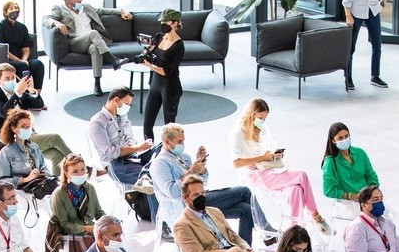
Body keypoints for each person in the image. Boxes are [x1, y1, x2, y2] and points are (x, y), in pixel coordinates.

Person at [229, 98, 330, 237]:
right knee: (302, 175)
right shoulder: (238, 133)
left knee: (296, 190)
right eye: (260, 117)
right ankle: (315, 215)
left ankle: (295, 232)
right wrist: (261, 158)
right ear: (251, 114)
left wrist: (276, 153)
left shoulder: (263, 128)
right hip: (256, 175)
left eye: (265, 117)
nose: (263, 120)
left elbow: (271, 146)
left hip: (272, 170)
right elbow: (236, 163)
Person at [150, 123, 259, 243]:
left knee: (246, 210)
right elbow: (173, 193)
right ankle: (264, 227)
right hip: (186, 206)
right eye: (179, 141)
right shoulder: (159, 164)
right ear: (166, 141)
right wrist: (191, 171)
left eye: (183, 141)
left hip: (200, 198)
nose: (182, 145)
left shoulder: (183, 156)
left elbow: (203, 183)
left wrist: (201, 169)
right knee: (244, 192)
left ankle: (245, 251)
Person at [172, 175, 262, 252]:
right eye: (196, 195)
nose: (201, 197)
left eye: (202, 193)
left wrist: (246, 248)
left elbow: (234, 237)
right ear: (185, 198)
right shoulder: (181, 225)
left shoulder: (215, 212)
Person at [42, 0, 130, 96]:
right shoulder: (59, 9)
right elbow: (46, 19)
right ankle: (113, 60)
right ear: (69, 0)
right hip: (75, 42)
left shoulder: (85, 7)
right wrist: (57, 23)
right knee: (93, 33)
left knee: (95, 48)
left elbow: (102, 10)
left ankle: (97, 85)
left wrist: (121, 11)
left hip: (91, 42)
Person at [89, 87, 154, 191]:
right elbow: (111, 153)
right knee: (153, 178)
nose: (128, 107)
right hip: (116, 163)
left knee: (161, 151)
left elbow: (129, 137)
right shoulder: (97, 123)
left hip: (133, 154)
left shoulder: (122, 115)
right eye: (126, 103)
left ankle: (146, 175)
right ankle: (145, 179)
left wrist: (142, 146)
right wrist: (137, 148)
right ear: (116, 100)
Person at [141, 9, 184, 142]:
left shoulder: (179, 45)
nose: (163, 24)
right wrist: (146, 52)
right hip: (155, 84)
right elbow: (147, 52)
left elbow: (168, 71)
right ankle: (148, 151)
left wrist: (149, 66)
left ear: (175, 23)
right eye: (162, 21)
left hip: (170, 87)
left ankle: (169, 155)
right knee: (147, 124)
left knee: (169, 128)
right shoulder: (159, 37)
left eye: (166, 22)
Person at [49, 152, 105, 252]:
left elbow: (98, 212)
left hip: (91, 231)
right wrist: (85, 228)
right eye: (75, 171)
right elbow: (64, 225)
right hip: (72, 235)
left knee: (113, 237)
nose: (80, 174)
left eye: (83, 170)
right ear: (66, 174)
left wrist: (107, 223)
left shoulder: (90, 188)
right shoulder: (59, 194)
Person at [321, 123, 379, 218]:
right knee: (362, 221)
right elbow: (328, 190)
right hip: (347, 202)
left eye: (346, 136)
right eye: (340, 138)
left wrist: (371, 191)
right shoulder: (330, 162)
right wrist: (351, 196)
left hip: (367, 197)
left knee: (384, 218)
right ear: (333, 141)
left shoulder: (360, 153)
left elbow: (371, 175)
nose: (344, 140)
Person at [342, 0, 388, 90]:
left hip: (373, 10)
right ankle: (348, 78)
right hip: (356, 10)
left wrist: (383, 1)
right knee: (350, 48)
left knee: (377, 46)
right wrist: (348, 15)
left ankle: (375, 76)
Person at [0, 0, 44, 90]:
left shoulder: (22, 27)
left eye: (16, 8)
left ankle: (36, 94)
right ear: (5, 12)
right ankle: (27, 92)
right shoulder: (0, 26)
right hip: (7, 60)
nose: (14, 10)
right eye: (11, 8)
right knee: (22, 66)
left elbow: (26, 48)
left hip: (22, 59)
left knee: (37, 64)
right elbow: (3, 49)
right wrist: (19, 61)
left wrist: (24, 59)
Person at [0, 63, 45, 131]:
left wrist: (32, 90)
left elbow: (39, 105)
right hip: (8, 136)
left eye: (13, 77)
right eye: (7, 78)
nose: (11, 81)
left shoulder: (21, 94)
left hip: (26, 132)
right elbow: (4, 112)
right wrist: (17, 93)